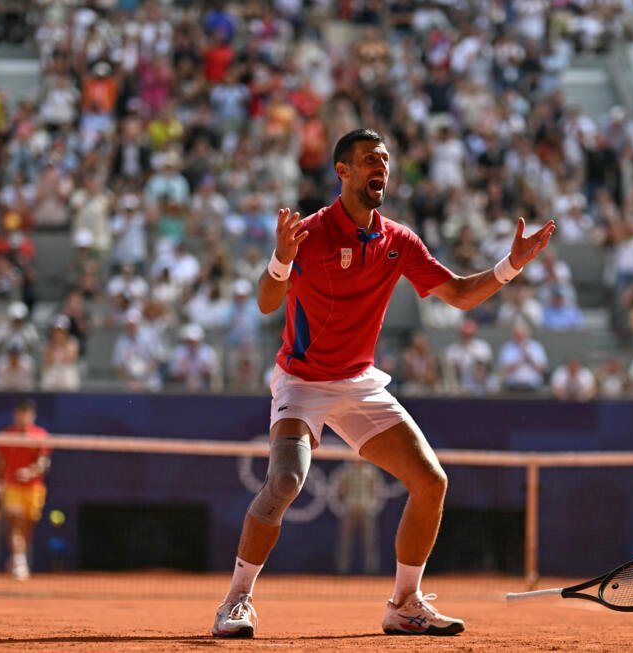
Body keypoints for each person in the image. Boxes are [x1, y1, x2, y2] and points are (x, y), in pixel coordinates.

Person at [212, 129, 555, 638]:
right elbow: (267, 303)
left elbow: (461, 294)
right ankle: (236, 601)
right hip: (302, 382)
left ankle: (405, 604)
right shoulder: (309, 233)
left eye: (386, 160)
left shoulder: (399, 240)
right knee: (284, 481)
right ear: (343, 171)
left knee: (431, 482)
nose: (382, 168)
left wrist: (511, 266)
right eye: (371, 159)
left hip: (359, 382)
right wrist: (280, 259)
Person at [0, 399, 51, 580]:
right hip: (12, 486)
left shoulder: (41, 435)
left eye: (27, 414)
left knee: (26, 528)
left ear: (32, 416)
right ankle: (20, 562)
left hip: (34, 489)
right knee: (16, 523)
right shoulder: (7, 435)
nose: (23, 417)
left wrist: (30, 472)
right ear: (16, 415)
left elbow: (43, 462)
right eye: (20, 414)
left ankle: (16, 556)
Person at [334, 459, 385, 575]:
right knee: (345, 542)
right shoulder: (346, 471)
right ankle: (342, 570)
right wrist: (345, 503)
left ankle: (371, 571)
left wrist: (372, 505)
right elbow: (340, 489)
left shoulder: (371, 471)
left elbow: (377, 489)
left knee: (370, 542)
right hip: (349, 510)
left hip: (367, 511)